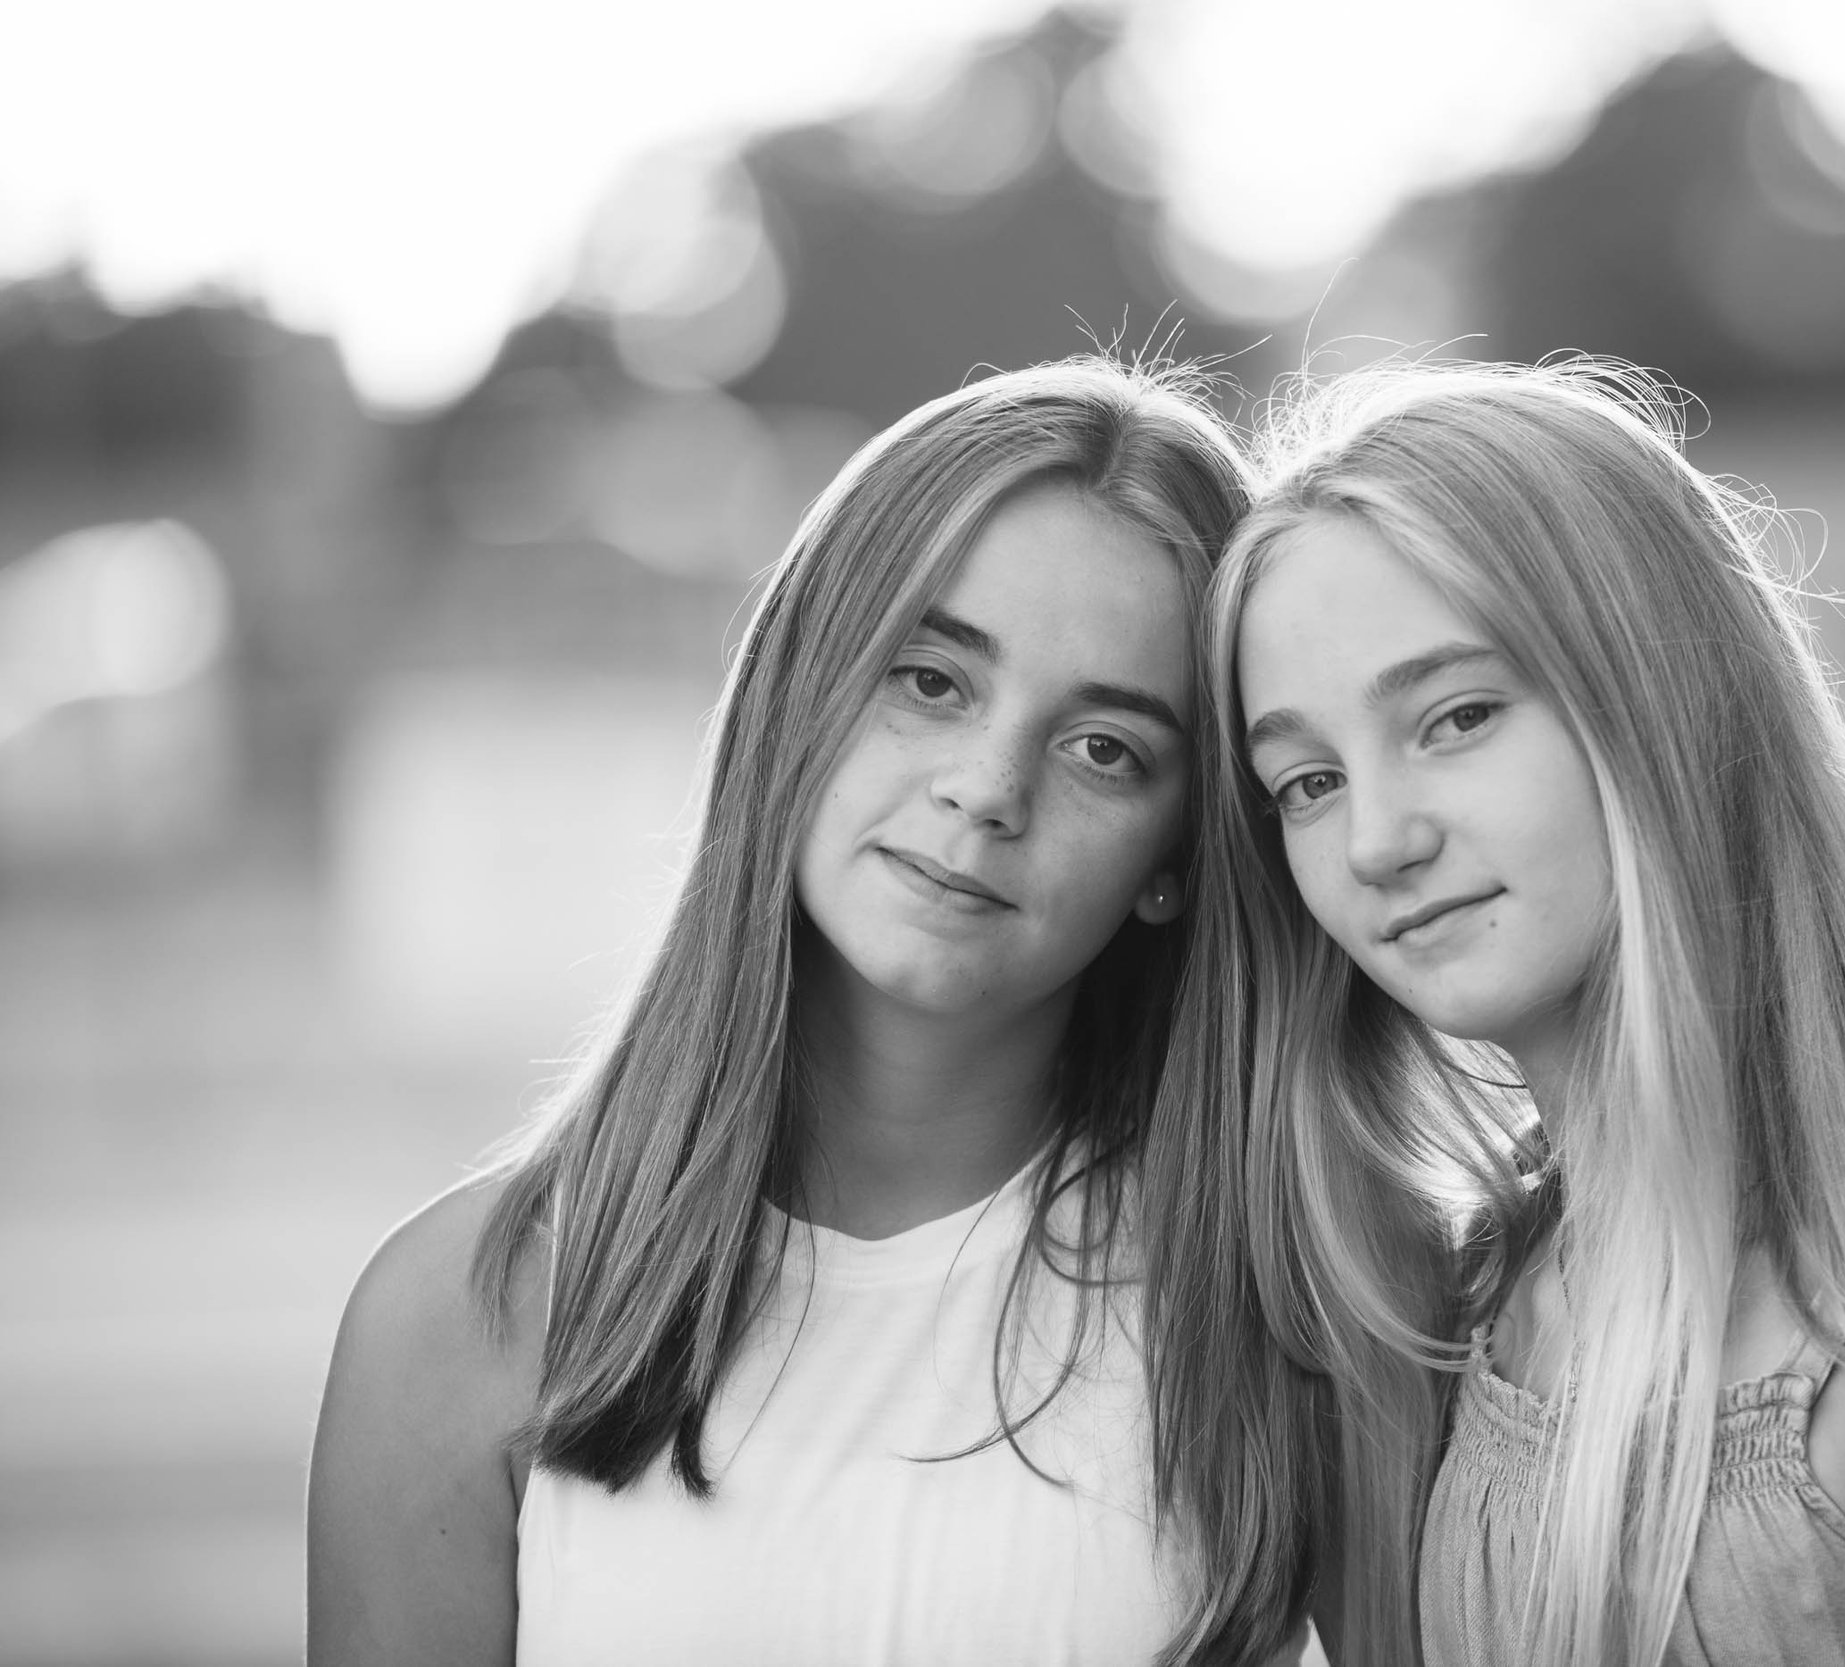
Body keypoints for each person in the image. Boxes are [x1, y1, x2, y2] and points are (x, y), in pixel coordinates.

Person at [1144, 360, 1845, 1667]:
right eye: (1304, 780)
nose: (1376, 839)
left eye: (1456, 717)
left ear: (1663, 703)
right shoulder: (1458, 1324)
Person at [309, 358, 1260, 1666]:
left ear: (1180, 857)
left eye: (1106, 748)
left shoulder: (1285, 1306)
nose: (987, 789)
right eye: (930, 679)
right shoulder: (461, 1319)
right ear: (794, 697)